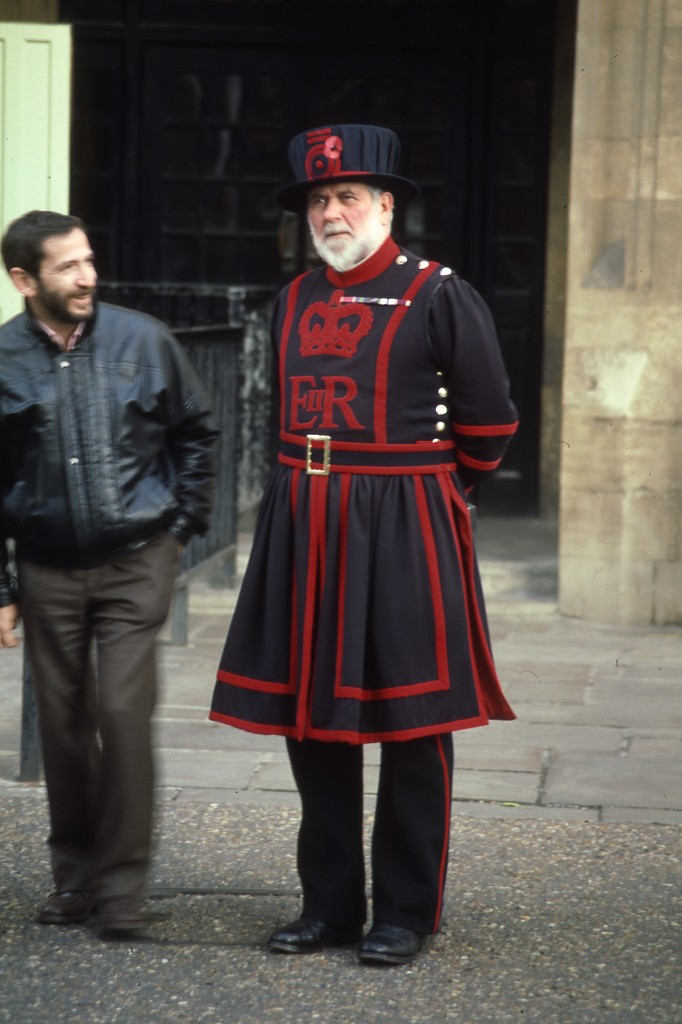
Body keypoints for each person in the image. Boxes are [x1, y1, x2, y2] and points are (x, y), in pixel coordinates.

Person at [209, 125, 518, 965]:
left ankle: (405, 914)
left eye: (349, 195)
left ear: (387, 206)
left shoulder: (438, 292)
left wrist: (425, 493)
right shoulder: (294, 299)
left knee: (414, 724)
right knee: (313, 723)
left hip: (406, 525)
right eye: (318, 199)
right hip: (303, 523)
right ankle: (332, 907)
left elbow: (489, 427)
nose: (332, 211)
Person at [0, 210, 218, 933]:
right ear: (24, 279)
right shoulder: (3, 359)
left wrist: (181, 526)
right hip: (47, 568)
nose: (86, 276)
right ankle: (76, 879)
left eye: (88, 259)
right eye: (66, 266)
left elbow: (196, 432)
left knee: (122, 716)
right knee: (63, 726)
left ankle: (123, 889)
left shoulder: (144, 339)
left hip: (136, 561)